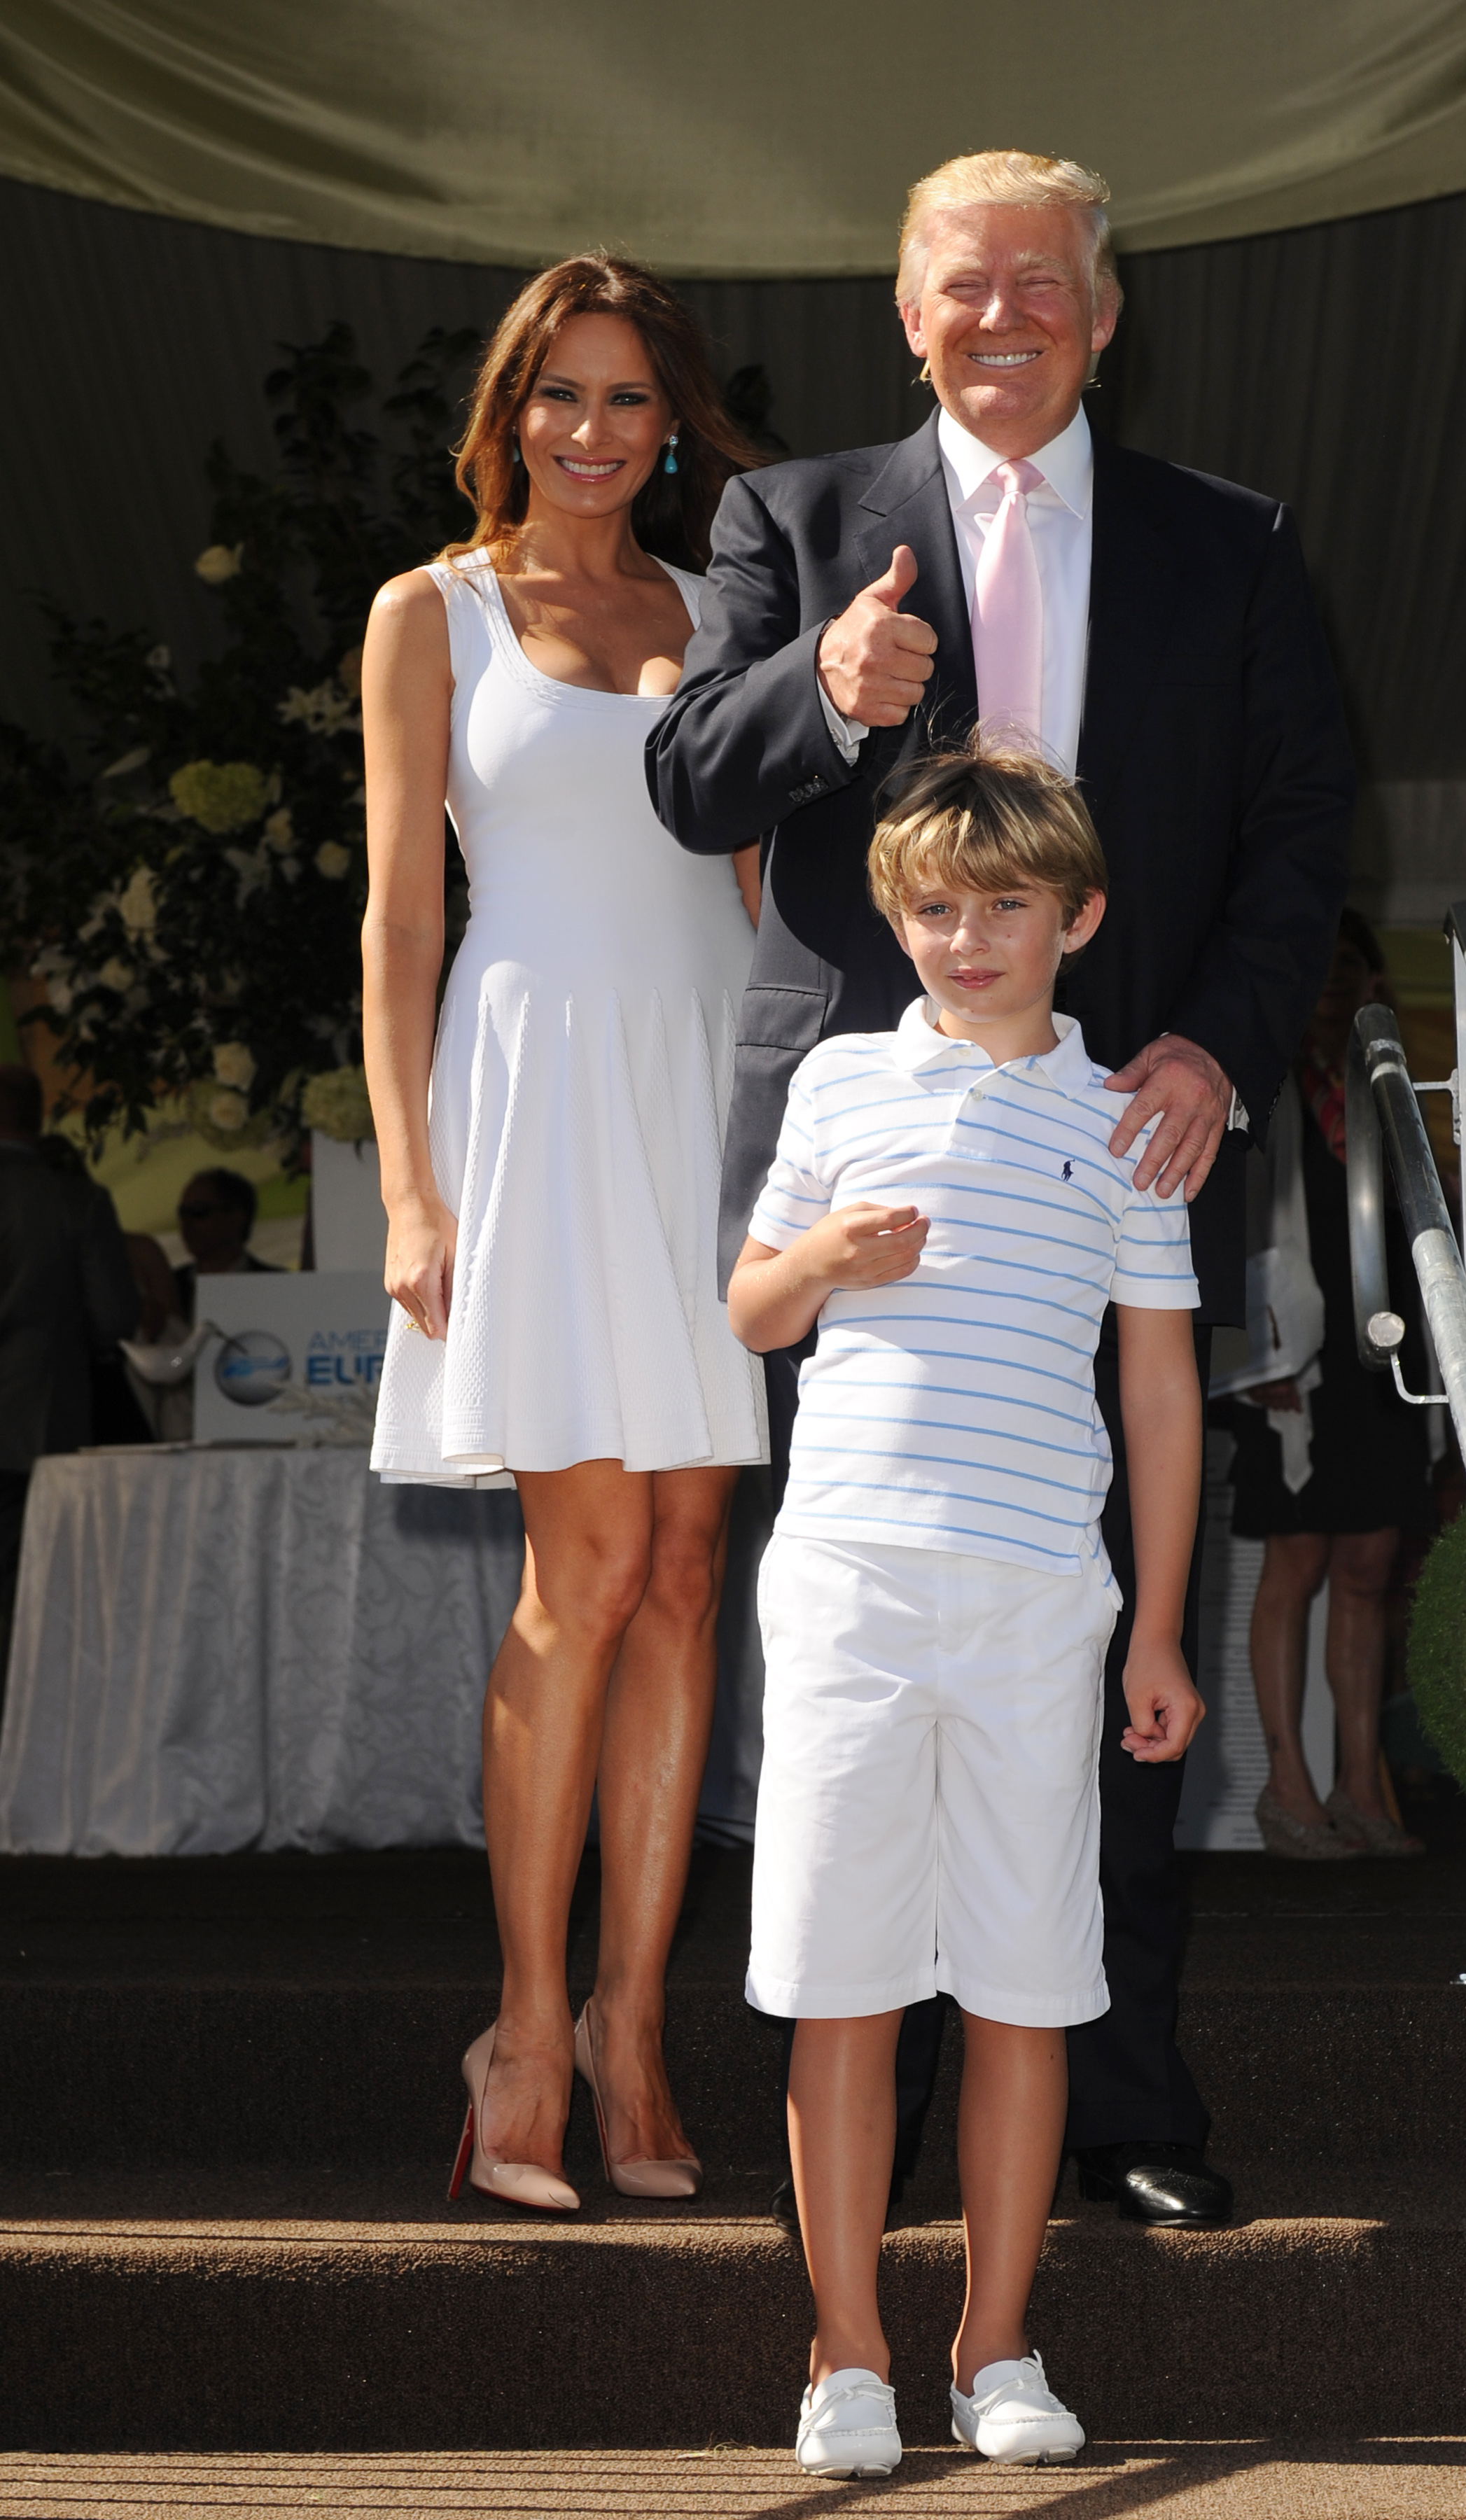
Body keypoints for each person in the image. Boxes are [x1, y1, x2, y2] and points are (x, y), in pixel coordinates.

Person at [651, 150, 1354, 2232]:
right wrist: (813, 697)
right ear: (905, 312)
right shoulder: (792, 521)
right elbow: (692, 772)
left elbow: (1303, 833)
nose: (999, 320)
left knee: (1113, 1615)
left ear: (1103, 315)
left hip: (1119, 1147)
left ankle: (1118, 2105)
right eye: (961, 288)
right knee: (872, 1621)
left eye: (1038, 286)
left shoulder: (1226, 548)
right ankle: (895, 2115)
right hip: (857, 1167)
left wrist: (1214, 1043)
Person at [729, 748, 1203, 2477]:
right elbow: (751, 1311)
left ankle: (993, 2340)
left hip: (1033, 1598)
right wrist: (823, 1265)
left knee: (1022, 1978)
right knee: (839, 1977)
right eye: (933, 905)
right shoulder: (838, 1080)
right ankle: (841, 2349)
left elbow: (1157, 1395)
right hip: (849, 1580)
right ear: (892, 916)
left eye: (1005, 905)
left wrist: (1153, 1628)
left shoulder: (1127, 1117)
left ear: (1073, 917)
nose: (966, 934)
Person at [362, 255, 767, 2212]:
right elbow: (399, 922)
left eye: (627, 401)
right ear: (509, 408)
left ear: (672, 421)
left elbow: (772, 904)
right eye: (561, 396)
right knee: (586, 1567)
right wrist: (408, 1185)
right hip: (528, 1101)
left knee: (688, 1572)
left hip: (708, 1107)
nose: (594, 433)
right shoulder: (429, 613)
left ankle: (634, 2030)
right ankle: (520, 2026)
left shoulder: (721, 610)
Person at [1224, 911, 1432, 1858]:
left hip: (1386, 1352)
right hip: (1289, 1361)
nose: (1336, 985)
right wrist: (1247, 1362)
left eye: (1352, 967)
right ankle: (1288, 1786)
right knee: (1298, 1561)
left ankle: (1360, 1787)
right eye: (1322, 968)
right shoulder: (1256, 1084)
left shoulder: (1393, 1091)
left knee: (1369, 1566)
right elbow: (1231, 1232)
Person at [0, 1063, 138, 1670]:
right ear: (37, 1117)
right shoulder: (72, 1200)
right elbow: (114, 1317)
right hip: (39, 1422)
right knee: (36, 1605)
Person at [174, 1167, 276, 1318]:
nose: (187, 1223)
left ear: (236, 1218)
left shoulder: (277, 1287)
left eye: (199, 1211)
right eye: (183, 1213)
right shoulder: (168, 1288)